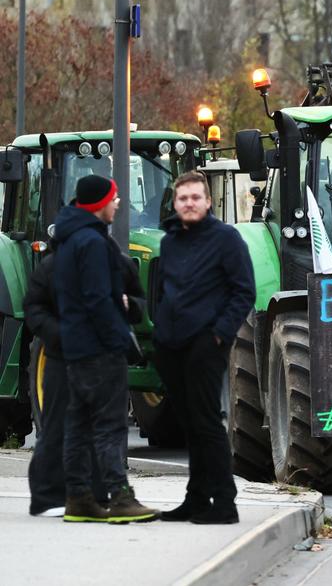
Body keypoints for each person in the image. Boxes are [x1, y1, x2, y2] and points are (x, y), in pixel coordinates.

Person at [54, 175, 158, 523]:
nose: (118, 203)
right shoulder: (94, 242)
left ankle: (79, 499)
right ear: (100, 203)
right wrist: (119, 340)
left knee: (79, 424)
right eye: (113, 198)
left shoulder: (69, 238)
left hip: (75, 346)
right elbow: (98, 299)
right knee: (110, 425)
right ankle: (120, 498)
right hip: (100, 349)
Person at [153, 171, 255, 524]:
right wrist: (160, 330)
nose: (189, 203)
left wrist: (219, 334)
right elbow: (163, 290)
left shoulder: (226, 239)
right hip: (170, 344)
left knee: (208, 423)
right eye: (183, 198)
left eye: (196, 197)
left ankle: (225, 502)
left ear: (208, 201)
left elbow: (244, 291)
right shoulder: (169, 242)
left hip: (205, 343)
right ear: (175, 202)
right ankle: (196, 499)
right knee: (189, 425)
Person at [26, 240, 146, 517]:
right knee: (59, 424)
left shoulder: (117, 262)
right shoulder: (53, 265)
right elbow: (34, 309)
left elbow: (138, 303)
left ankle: (95, 495)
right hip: (62, 356)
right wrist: (61, 334)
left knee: (100, 428)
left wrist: (129, 305)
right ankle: (52, 495)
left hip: (103, 355)